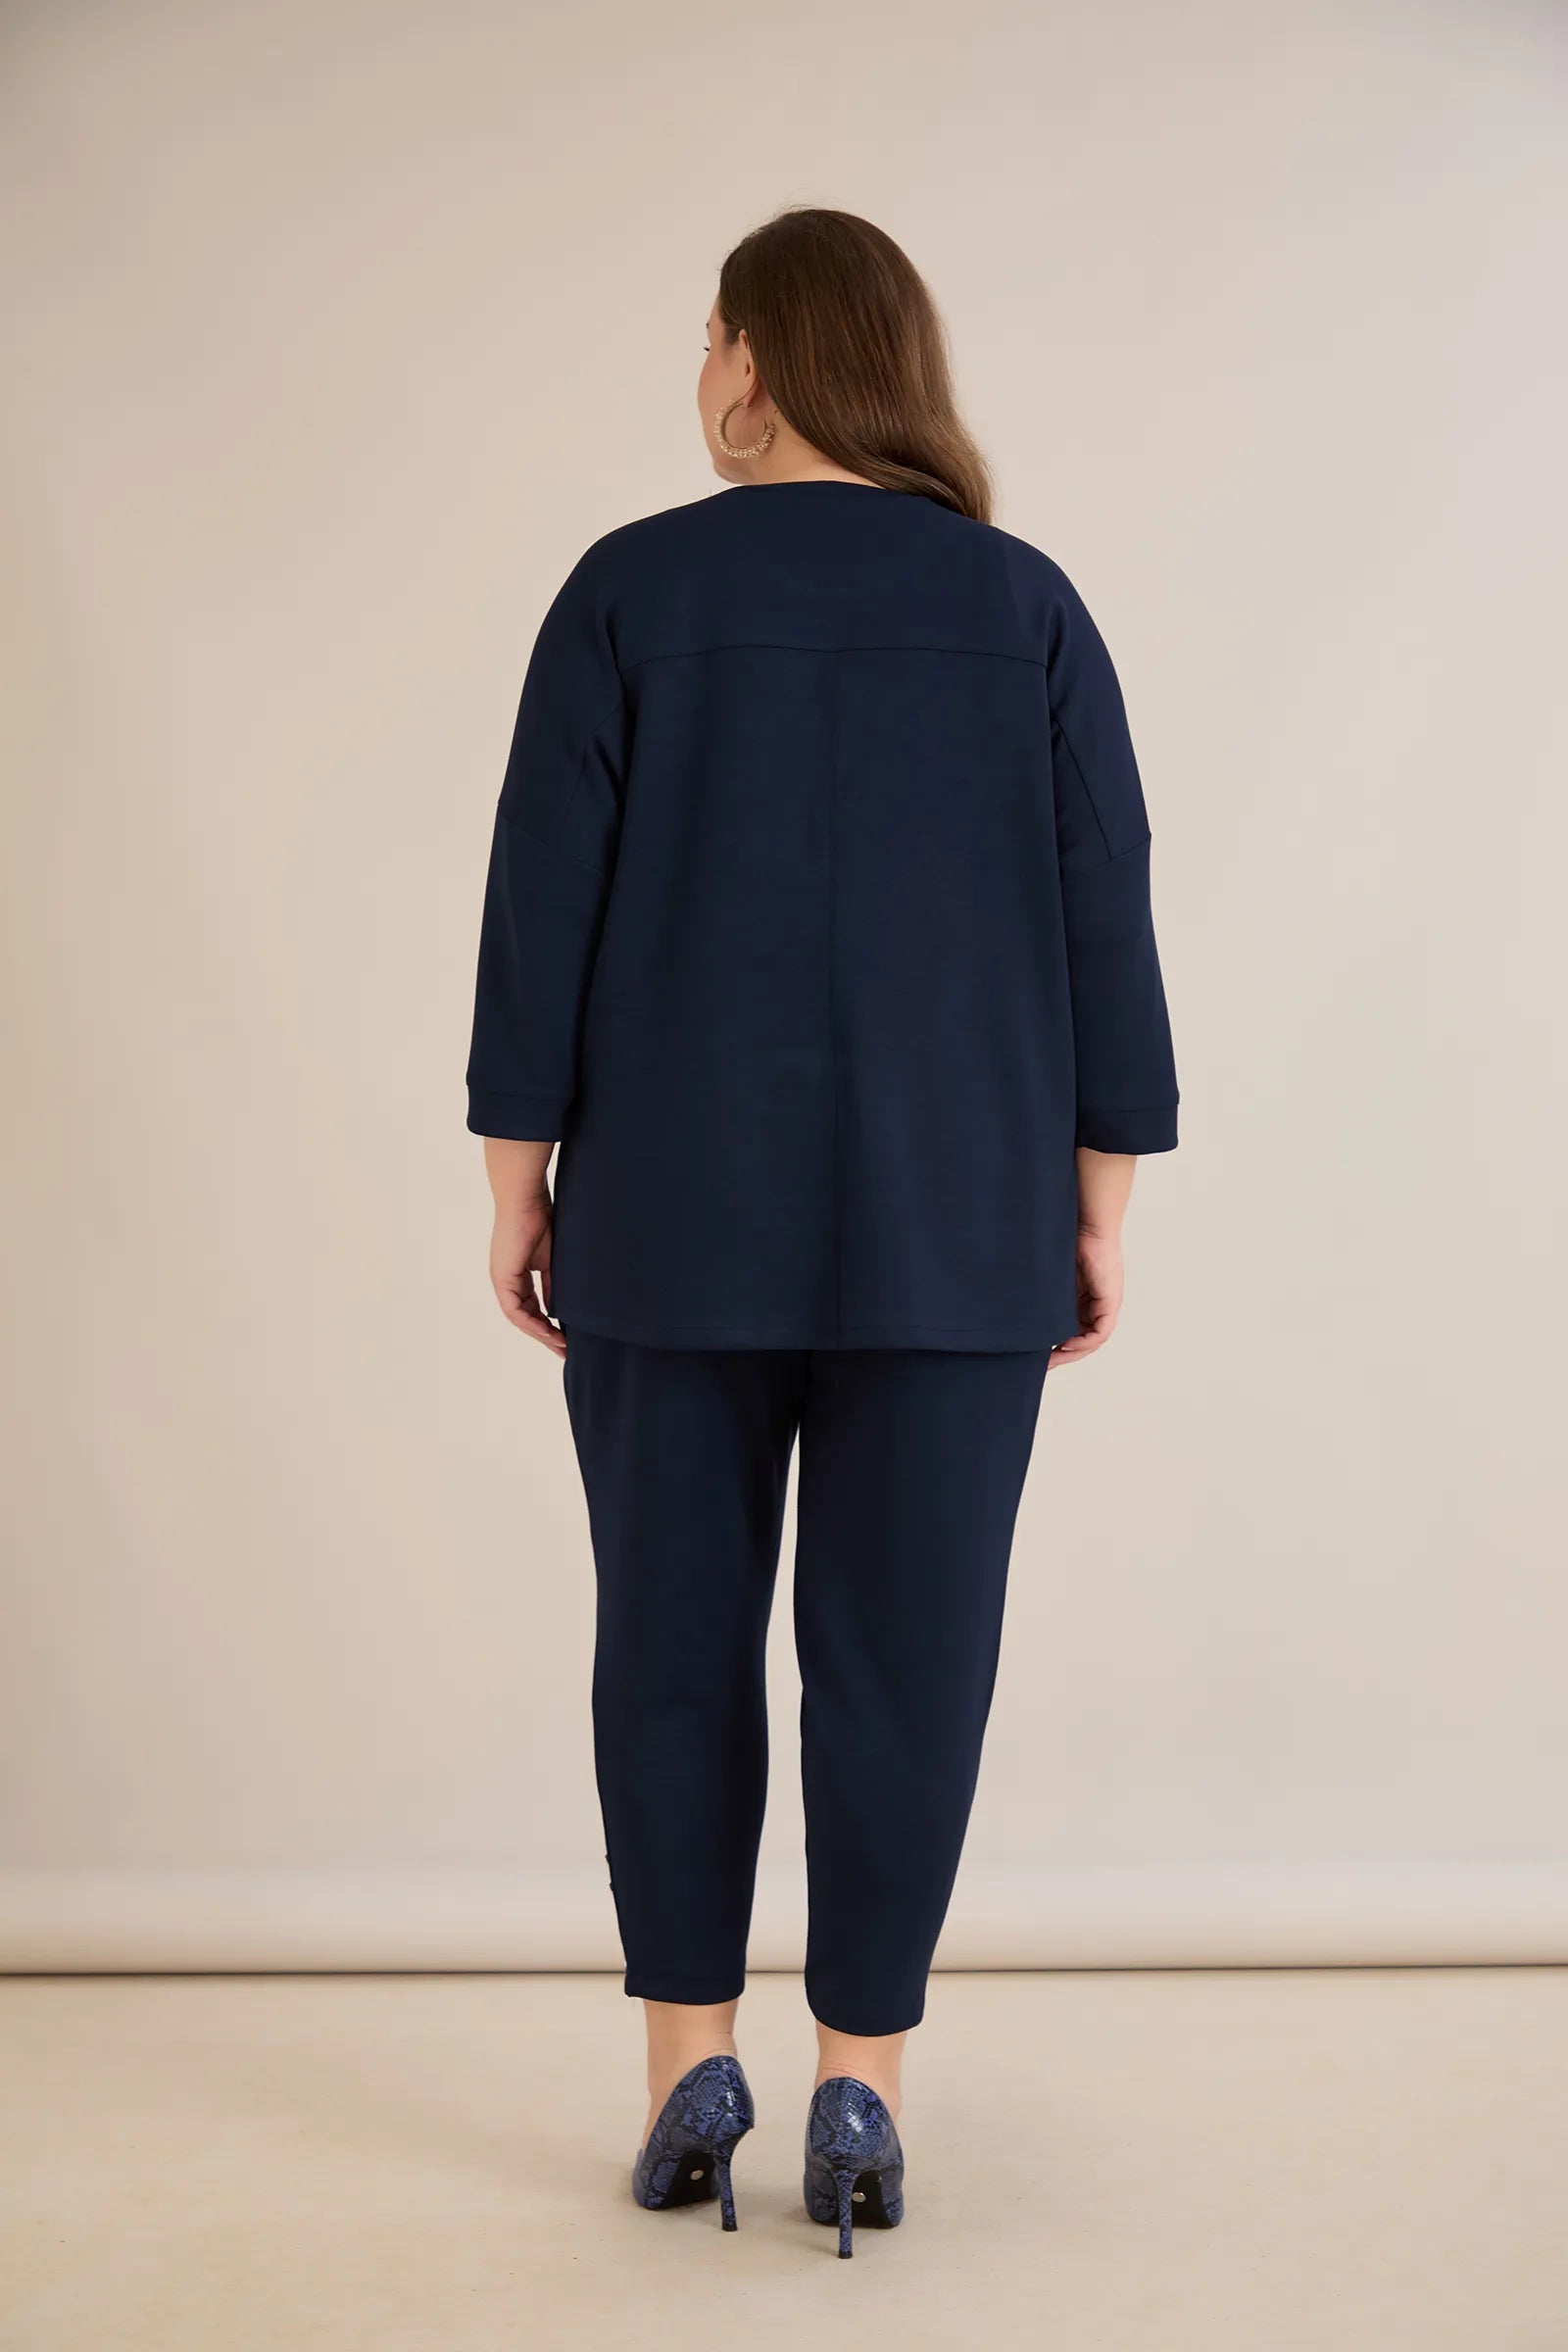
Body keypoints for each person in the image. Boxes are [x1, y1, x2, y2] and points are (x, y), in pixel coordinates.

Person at [465, 205, 1179, 2255]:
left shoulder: (630, 590)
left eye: (708, 337)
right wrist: (1097, 1202)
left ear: (759, 364)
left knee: (668, 1645)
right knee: (906, 1661)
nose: (698, 373)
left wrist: (518, 1185)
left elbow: (540, 901)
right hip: (959, 1216)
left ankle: (690, 2065)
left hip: (670, 1216)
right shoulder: (1024, 608)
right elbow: (1104, 906)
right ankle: (859, 2087)